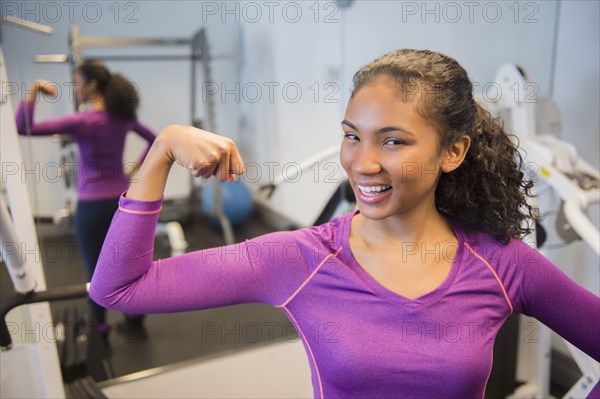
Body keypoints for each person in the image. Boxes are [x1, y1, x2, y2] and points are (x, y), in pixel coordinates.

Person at [89, 49, 599, 397]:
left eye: (394, 141)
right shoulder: (298, 259)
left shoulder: (501, 262)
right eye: (353, 135)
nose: (363, 162)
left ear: (453, 151)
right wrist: (161, 150)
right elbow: (119, 288)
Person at [16, 60, 156, 340]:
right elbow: (155, 140)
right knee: (125, 261)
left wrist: (33, 91)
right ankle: (134, 314)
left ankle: (101, 327)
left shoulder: (84, 121)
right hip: (122, 203)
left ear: (91, 87)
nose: (75, 88)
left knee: (96, 269)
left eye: (77, 82)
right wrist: (133, 169)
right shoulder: (122, 118)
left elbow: (24, 126)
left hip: (92, 208)